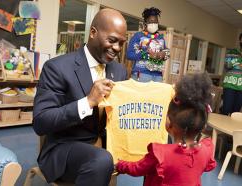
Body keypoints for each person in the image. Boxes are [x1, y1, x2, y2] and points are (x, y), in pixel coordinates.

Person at [33, 9, 127, 186]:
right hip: (65, 147)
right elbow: (41, 122)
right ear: (93, 33)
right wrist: (88, 101)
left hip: (105, 145)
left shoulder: (119, 71)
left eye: (121, 43)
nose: (117, 48)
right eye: (112, 40)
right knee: (102, 161)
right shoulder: (57, 68)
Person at [115, 73, 217, 186]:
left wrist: (119, 165)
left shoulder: (161, 154)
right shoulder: (206, 150)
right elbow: (208, 166)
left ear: (169, 122)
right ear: (202, 127)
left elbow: (137, 169)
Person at [127, 7, 170, 82]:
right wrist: (146, 54)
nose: (154, 24)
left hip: (158, 75)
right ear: (145, 23)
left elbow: (166, 54)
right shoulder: (138, 36)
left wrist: (163, 54)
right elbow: (129, 55)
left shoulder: (160, 38)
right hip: (142, 74)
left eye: (156, 22)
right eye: (151, 22)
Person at [221, 33, 242, 115]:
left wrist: (235, 64)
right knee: (226, 109)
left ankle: (230, 128)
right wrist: (238, 62)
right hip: (230, 84)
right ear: (240, 40)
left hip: (241, 87)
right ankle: (220, 127)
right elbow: (227, 65)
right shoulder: (232, 52)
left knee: (235, 112)